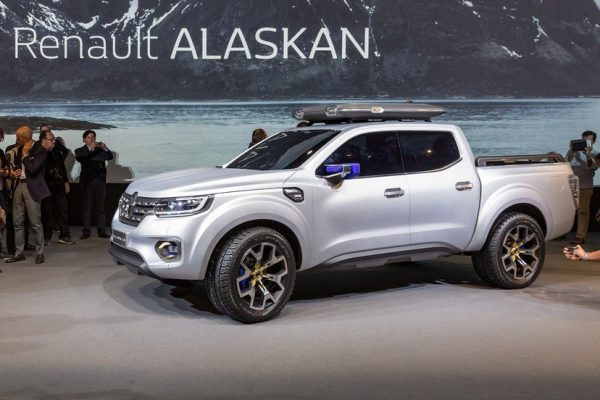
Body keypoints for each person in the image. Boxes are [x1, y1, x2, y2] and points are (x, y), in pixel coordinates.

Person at [5, 127, 54, 264]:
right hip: (18, 185)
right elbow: (18, 165)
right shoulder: (19, 148)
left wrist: (26, 155)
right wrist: (14, 172)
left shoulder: (40, 149)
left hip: (31, 187)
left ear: (26, 137)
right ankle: (19, 252)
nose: (17, 140)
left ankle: (40, 253)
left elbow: (33, 169)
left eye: (19, 137)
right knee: (17, 222)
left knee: (35, 222)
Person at [75, 130, 113, 239]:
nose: (91, 139)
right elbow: (81, 158)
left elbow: (109, 156)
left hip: (100, 182)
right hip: (88, 183)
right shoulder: (80, 150)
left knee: (101, 208)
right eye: (89, 137)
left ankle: (102, 231)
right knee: (87, 208)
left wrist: (105, 148)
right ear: (84, 139)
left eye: (93, 137)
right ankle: (86, 231)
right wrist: (90, 149)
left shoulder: (100, 149)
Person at [40, 126, 74, 246]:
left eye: (54, 139)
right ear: (44, 140)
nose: (54, 141)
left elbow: (62, 168)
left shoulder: (56, 151)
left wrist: (66, 181)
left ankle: (65, 236)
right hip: (46, 185)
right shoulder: (39, 152)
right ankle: (47, 237)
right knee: (47, 212)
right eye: (52, 139)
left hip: (59, 185)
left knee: (63, 210)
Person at [566, 130, 598, 245]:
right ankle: (561, 232)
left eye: (588, 141)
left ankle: (580, 236)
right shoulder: (575, 152)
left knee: (583, 212)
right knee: (566, 210)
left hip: (585, 186)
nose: (586, 143)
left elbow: (593, 167)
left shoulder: (595, 154)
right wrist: (571, 151)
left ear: (594, 142)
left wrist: (588, 154)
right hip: (571, 185)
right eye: (584, 141)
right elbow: (567, 162)